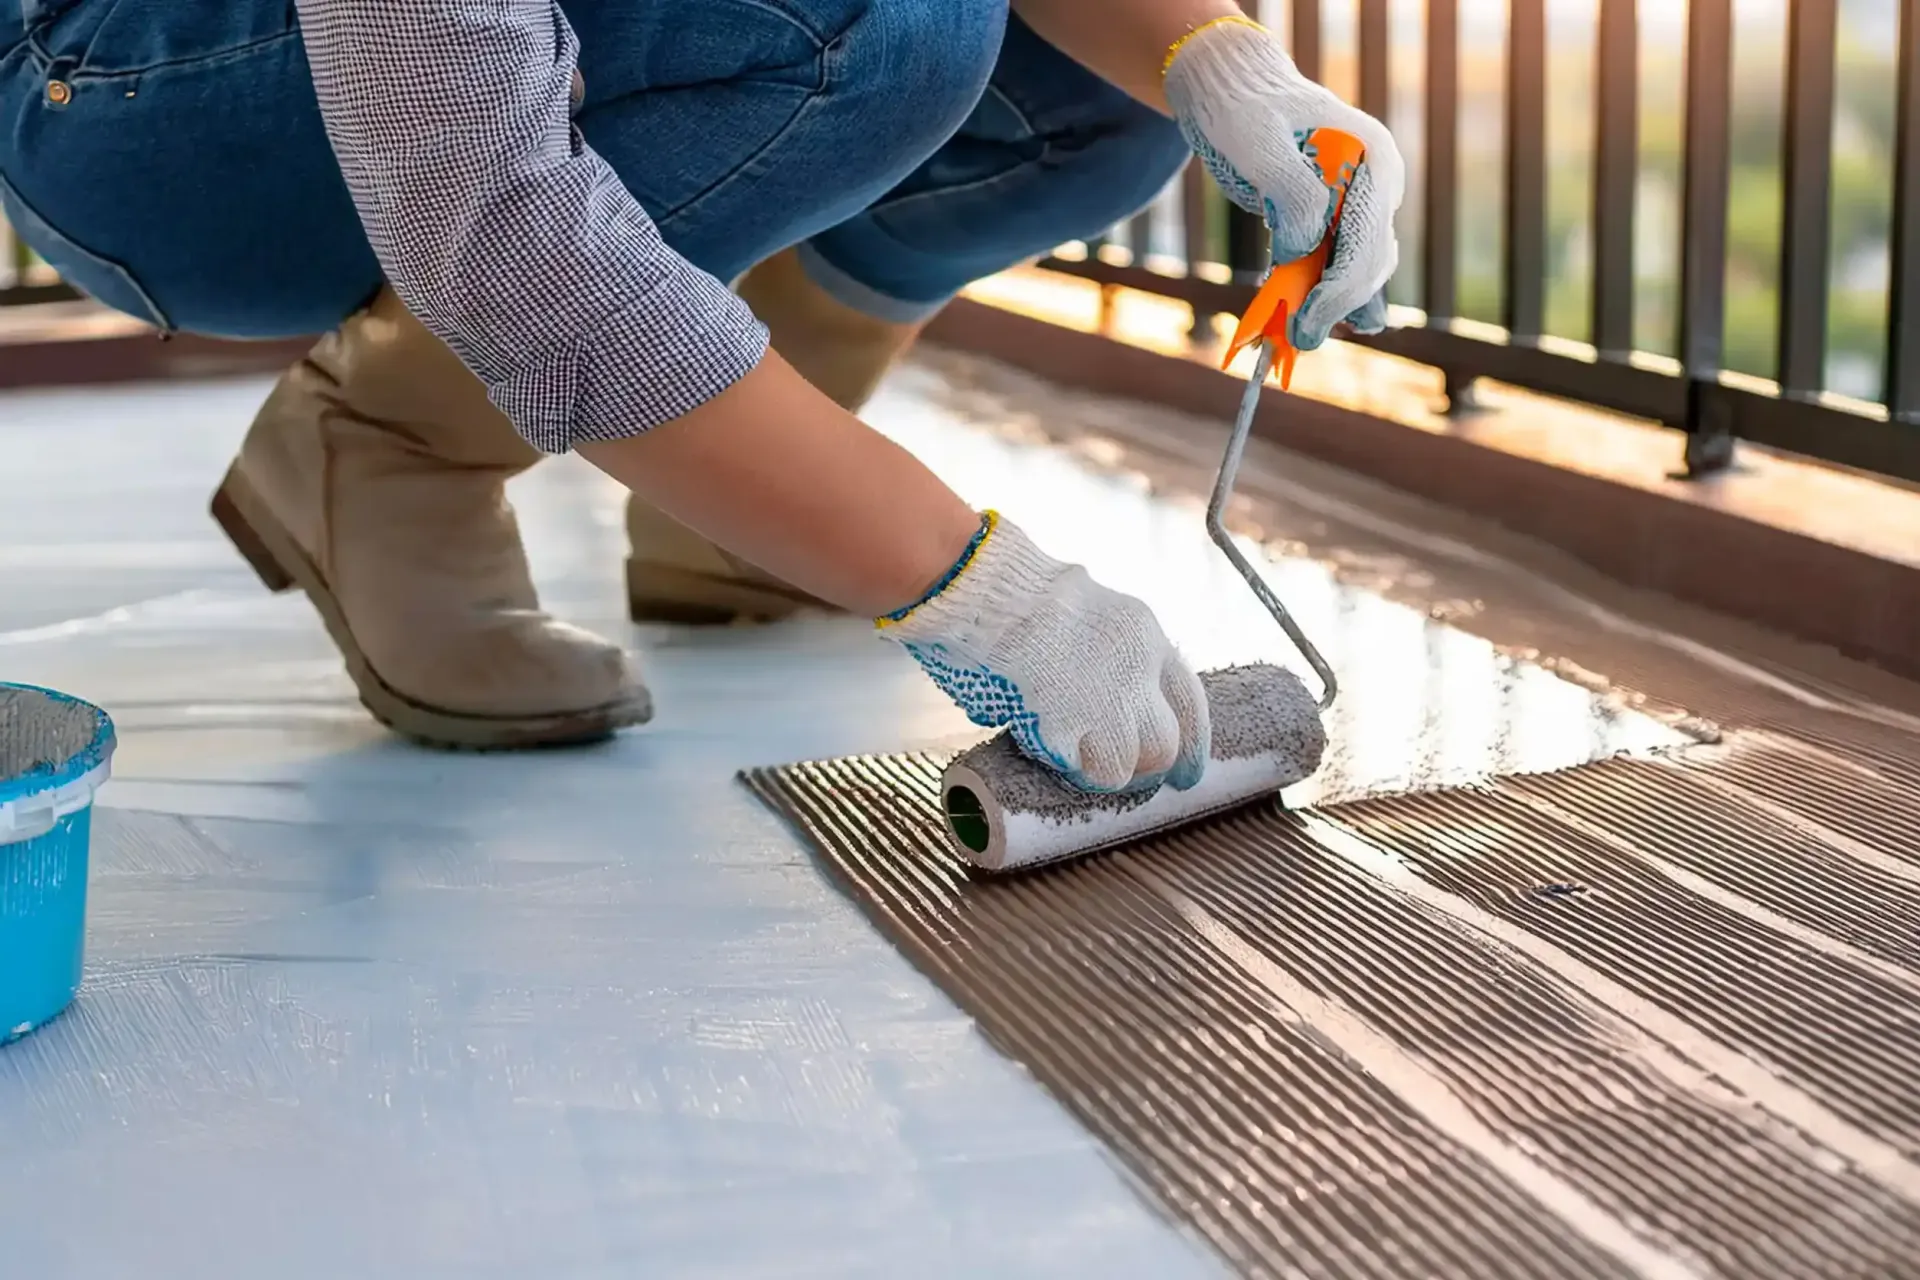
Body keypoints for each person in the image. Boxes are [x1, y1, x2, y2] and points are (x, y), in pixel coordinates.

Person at [0, 0, 1401, 794]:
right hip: (122, 82)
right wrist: (976, 587)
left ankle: (735, 501)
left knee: (1094, 100)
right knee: (888, 21)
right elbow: (491, 217)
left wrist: (1223, 64)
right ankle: (386, 443)